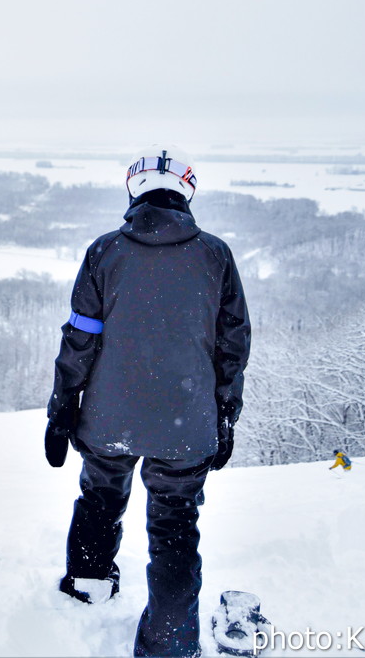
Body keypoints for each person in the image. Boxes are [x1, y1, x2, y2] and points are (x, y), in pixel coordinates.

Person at [45, 147, 250, 658]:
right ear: (187, 193)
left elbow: (81, 337)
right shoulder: (216, 257)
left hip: (108, 420)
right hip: (186, 426)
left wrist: (63, 405)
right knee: (175, 524)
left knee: (100, 497)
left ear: (134, 191)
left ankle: (89, 585)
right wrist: (225, 414)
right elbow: (232, 346)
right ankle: (169, 646)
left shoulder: (105, 253)